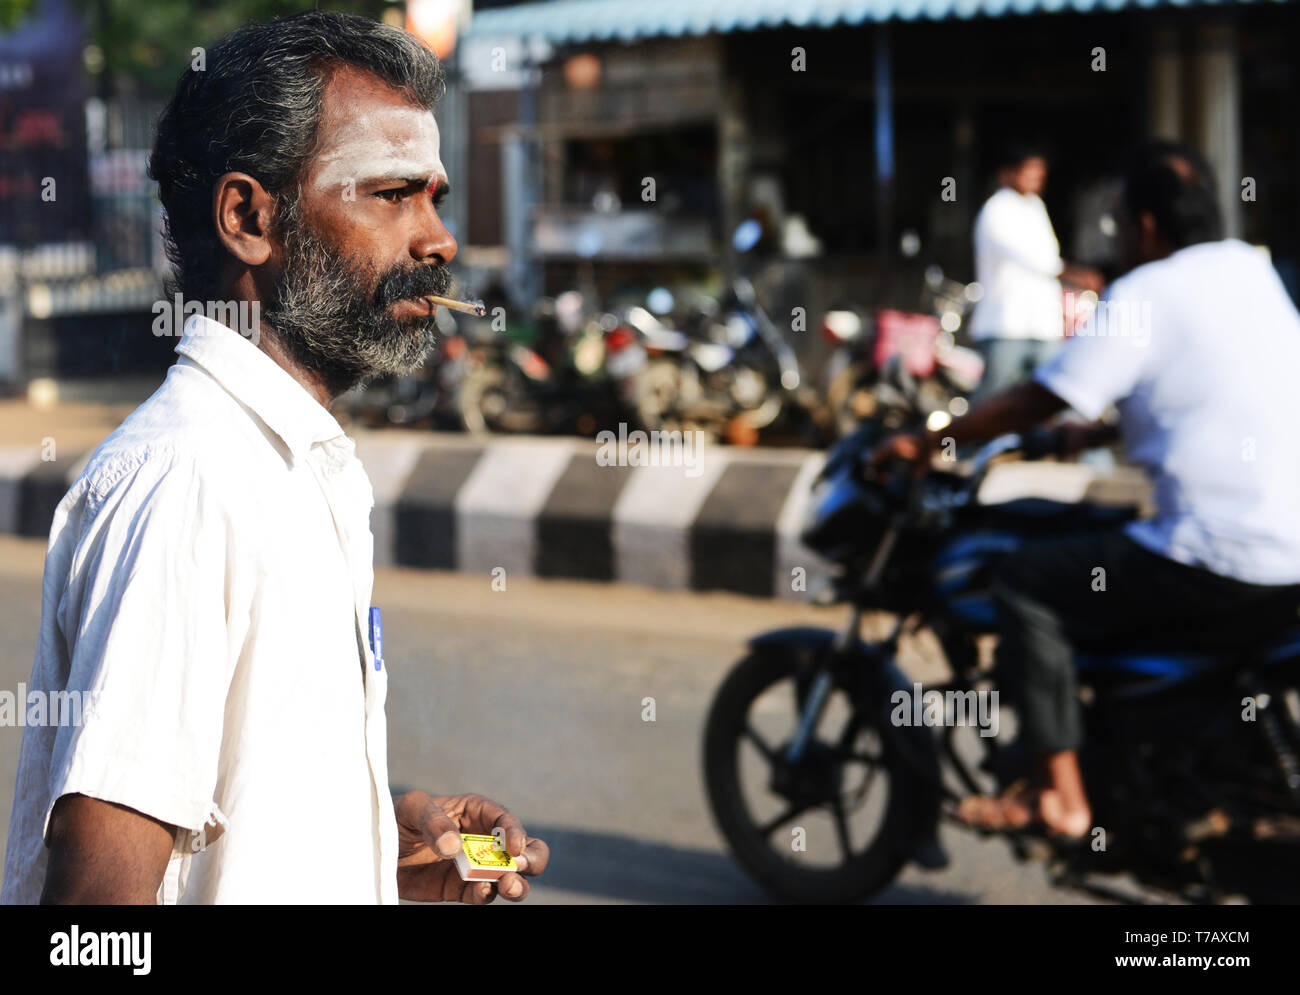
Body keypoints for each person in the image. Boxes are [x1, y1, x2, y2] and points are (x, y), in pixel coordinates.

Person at [2, 11, 548, 904]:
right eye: (391, 195)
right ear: (250, 219)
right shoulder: (191, 483)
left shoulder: (295, 466)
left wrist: (378, 854)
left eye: (435, 197)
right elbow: (98, 911)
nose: (437, 241)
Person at [871, 141, 1300, 838]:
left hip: (1223, 556)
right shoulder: (1250, 273)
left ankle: (1059, 797)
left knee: (1027, 578)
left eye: (1124, 223)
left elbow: (1033, 401)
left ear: (1149, 226)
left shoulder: (1146, 292)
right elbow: (1210, 398)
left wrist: (928, 441)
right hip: (1289, 553)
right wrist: (1088, 436)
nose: (1121, 238)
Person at [967, 143, 1103, 406]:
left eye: (1039, 173)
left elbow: (1048, 256)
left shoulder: (1035, 207)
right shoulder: (997, 210)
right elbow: (1036, 260)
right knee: (992, 404)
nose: (1036, 179)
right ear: (1007, 174)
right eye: (1029, 172)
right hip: (1006, 326)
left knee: (1059, 397)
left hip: (1042, 326)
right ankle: (967, 447)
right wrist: (1076, 274)